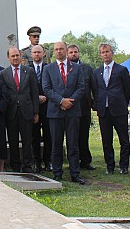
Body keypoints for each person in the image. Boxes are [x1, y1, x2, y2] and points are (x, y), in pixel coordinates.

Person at [42, 41, 85, 184]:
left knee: (73, 143)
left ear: (66, 51)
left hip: (72, 111)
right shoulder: (48, 69)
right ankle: (57, 173)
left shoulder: (77, 68)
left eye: (61, 49)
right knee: (56, 143)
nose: (59, 51)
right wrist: (61, 101)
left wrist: (70, 102)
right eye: (56, 49)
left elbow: (81, 87)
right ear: (53, 52)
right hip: (55, 111)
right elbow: (46, 89)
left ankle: (75, 173)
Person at [92, 43, 130, 175]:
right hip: (104, 111)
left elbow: (128, 90)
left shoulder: (121, 70)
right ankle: (110, 166)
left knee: (124, 139)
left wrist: (122, 102)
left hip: (119, 110)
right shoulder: (97, 72)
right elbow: (96, 90)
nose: (105, 54)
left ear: (112, 52)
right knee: (106, 140)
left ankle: (124, 166)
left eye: (107, 52)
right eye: (103, 52)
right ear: (100, 55)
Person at [0, 47, 39, 173]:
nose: (15, 58)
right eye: (13, 56)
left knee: (27, 140)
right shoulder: (3, 74)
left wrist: (36, 112)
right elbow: (3, 94)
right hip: (11, 112)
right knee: (12, 141)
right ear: (8, 58)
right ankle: (15, 166)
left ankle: (27, 166)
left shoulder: (29, 71)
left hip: (26, 111)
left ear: (21, 56)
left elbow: (34, 92)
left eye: (17, 55)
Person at [67, 44, 96, 171]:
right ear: (67, 54)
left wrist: (95, 103)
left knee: (84, 135)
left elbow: (94, 87)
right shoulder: (65, 68)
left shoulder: (87, 68)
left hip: (84, 107)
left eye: (75, 52)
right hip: (70, 107)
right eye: (71, 52)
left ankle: (85, 160)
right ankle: (73, 161)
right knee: (72, 136)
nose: (73, 54)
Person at [30, 45, 50, 172]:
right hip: (33, 107)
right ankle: (37, 162)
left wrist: (45, 96)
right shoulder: (27, 69)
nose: (37, 54)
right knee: (34, 136)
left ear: (43, 54)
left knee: (49, 135)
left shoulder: (49, 68)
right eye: (34, 52)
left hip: (48, 106)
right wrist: (36, 97)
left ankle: (48, 161)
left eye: (39, 52)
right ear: (31, 54)